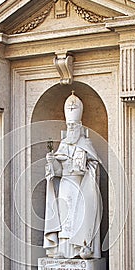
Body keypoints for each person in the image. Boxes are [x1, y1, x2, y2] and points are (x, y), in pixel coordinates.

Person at [44, 91, 102, 259]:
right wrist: (51, 161)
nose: (71, 128)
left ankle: (81, 249)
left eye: (74, 126)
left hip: (80, 186)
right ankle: (62, 250)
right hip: (64, 185)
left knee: (79, 216)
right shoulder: (62, 144)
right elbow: (58, 171)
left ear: (80, 124)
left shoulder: (86, 143)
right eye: (69, 125)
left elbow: (95, 165)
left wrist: (84, 164)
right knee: (64, 217)